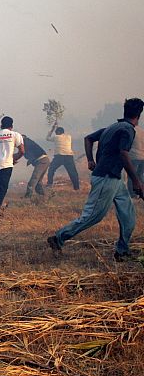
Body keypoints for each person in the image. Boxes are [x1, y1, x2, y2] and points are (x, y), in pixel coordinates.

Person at [47, 98, 144, 262]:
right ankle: (58, 238)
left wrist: (90, 160)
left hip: (114, 178)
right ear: (139, 115)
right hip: (106, 177)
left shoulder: (113, 127)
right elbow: (123, 153)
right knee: (93, 216)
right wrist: (136, 180)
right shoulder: (128, 130)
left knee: (128, 214)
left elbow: (88, 138)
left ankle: (122, 251)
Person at [0, 116, 25, 217]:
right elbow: (22, 151)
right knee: (2, 187)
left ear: (1, 125)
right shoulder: (15, 135)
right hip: (6, 164)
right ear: (11, 125)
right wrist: (14, 158)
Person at [46, 125, 80, 190]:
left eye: (56, 132)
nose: (55, 133)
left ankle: (49, 184)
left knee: (51, 170)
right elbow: (62, 135)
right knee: (73, 172)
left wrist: (52, 129)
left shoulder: (56, 137)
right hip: (69, 157)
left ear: (58, 132)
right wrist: (57, 128)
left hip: (59, 157)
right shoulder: (69, 137)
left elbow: (47, 138)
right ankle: (76, 187)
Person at [127, 122, 144, 196]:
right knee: (140, 175)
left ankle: (132, 194)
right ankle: (141, 193)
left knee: (131, 176)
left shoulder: (130, 130)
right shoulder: (142, 131)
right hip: (142, 157)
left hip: (133, 157)